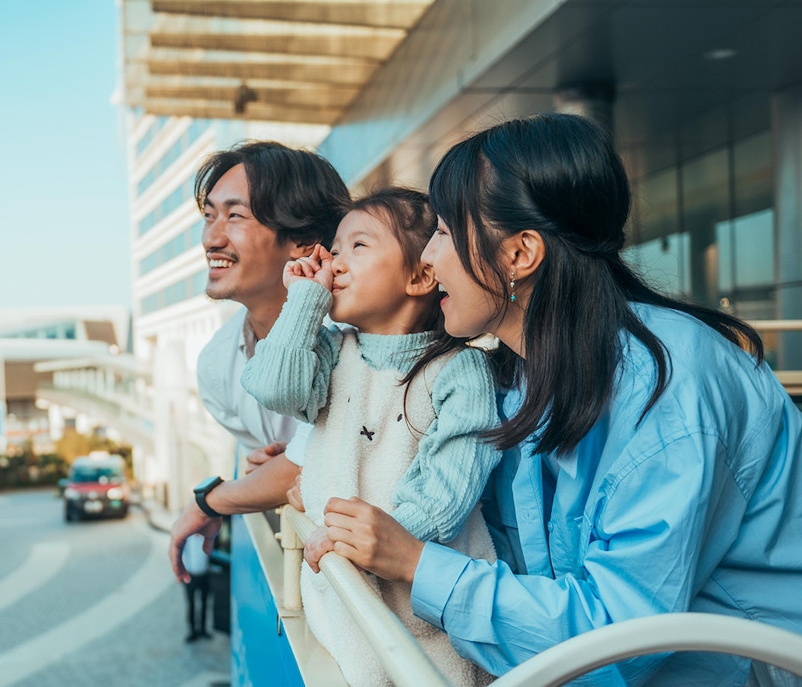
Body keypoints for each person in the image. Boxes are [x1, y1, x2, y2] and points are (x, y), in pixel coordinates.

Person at [314, 113, 802, 686]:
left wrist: (416, 564)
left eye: (444, 232)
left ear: (520, 254)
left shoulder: (669, 390)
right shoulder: (522, 369)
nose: (429, 258)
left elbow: (619, 640)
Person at [240, 188, 501, 686]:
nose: (335, 261)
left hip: (425, 615)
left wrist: (357, 538)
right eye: (333, 249)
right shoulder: (334, 351)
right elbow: (272, 388)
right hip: (340, 596)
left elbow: (446, 494)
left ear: (422, 275)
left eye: (357, 246)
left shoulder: (460, 371)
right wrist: (305, 301)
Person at [169, 140, 351, 584]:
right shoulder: (216, 367)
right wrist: (267, 478)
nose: (211, 238)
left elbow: (308, 465)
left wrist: (212, 501)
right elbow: (281, 473)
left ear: (302, 241)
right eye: (210, 215)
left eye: (235, 216)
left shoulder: (361, 334)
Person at [181, 533, 212, 642]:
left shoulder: (207, 537)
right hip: (190, 576)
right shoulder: (187, 539)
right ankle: (192, 631)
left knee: (204, 602)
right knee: (191, 604)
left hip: (204, 575)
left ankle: (203, 629)